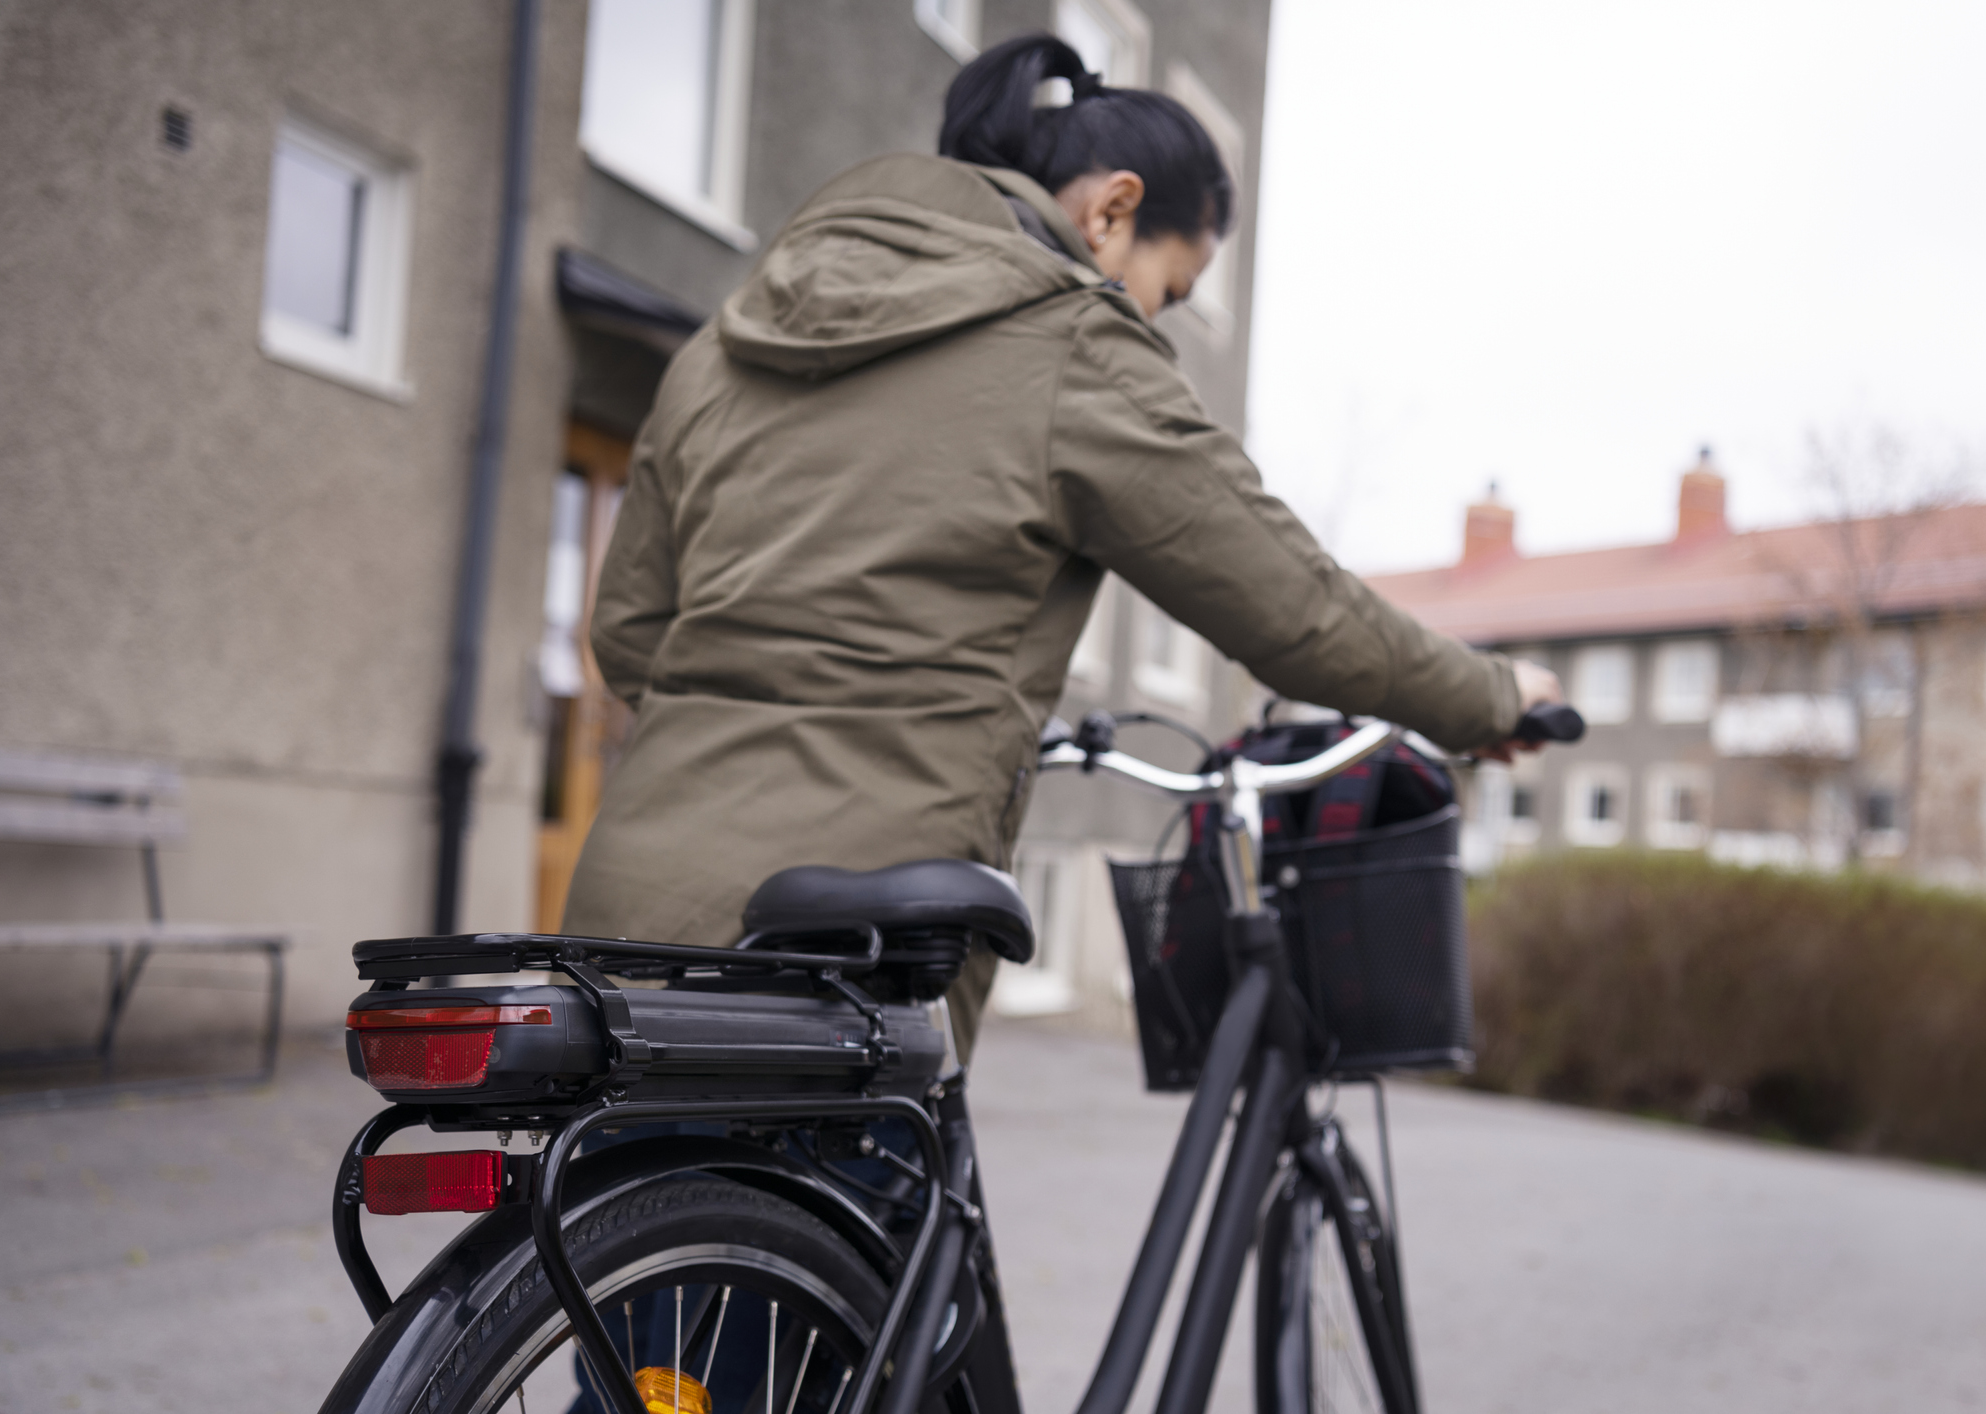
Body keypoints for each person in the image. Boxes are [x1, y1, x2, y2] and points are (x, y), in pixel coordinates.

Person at [561, 34, 1561, 1063]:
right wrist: (1489, 697)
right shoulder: (1074, 345)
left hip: (625, 901)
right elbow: (1299, 614)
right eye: (1171, 291)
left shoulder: (723, 343)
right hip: (847, 938)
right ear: (1112, 212)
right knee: (867, 1167)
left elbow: (631, 631)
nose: (1157, 320)